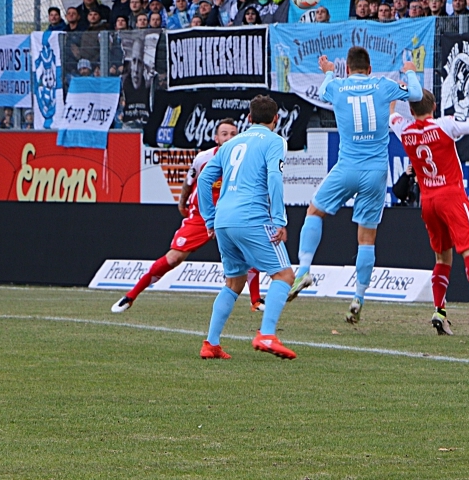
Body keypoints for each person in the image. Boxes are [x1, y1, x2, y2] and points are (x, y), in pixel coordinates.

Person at [287, 47, 423, 324]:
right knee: (366, 238)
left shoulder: (336, 85)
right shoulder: (384, 85)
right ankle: (358, 297)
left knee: (314, 211)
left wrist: (327, 72)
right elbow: (418, 95)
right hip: (375, 171)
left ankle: (303, 269)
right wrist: (409, 69)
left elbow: (325, 89)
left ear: (347, 69)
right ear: (370, 68)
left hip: (347, 167)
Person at [390, 83, 469, 336]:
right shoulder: (444, 125)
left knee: (442, 258)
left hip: (428, 201)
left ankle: (439, 311)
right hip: (452, 196)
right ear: (434, 107)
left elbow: (391, 114)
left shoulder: (404, 129)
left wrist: (401, 89)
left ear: (411, 110)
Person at [112, 120, 264, 313]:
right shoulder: (203, 158)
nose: (229, 137)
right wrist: (182, 202)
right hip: (201, 215)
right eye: (224, 134)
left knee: (248, 251)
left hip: (229, 215)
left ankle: (256, 300)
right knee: (174, 258)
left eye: (234, 134)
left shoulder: (246, 161)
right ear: (216, 138)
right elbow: (189, 181)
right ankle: (131, 296)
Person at [197, 95, 297, 360]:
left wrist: (209, 219)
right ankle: (266, 334)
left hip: (224, 220)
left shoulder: (230, 145)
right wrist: (279, 219)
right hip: (251, 217)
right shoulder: (275, 141)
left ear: (249, 119)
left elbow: (204, 179)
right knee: (284, 276)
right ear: (276, 119)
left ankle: (211, 344)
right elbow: (275, 177)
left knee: (234, 281)